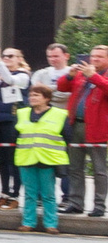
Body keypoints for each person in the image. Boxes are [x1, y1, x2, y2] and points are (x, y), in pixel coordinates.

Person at [61, 46, 108, 219]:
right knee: (75, 167)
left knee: (99, 169)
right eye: (93, 56)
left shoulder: (96, 75)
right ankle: (75, 203)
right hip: (76, 125)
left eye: (99, 57)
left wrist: (93, 76)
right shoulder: (82, 74)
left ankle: (99, 205)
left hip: (97, 127)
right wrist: (70, 75)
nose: (94, 59)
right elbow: (62, 86)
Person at [16, 85, 70, 233]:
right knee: (29, 193)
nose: (32, 98)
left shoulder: (59, 114)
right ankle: (28, 223)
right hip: (27, 158)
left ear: (46, 98)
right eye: (31, 95)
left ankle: (51, 224)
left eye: (37, 95)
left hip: (48, 160)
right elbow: (15, 135)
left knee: (48, 194)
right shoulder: (22, 113)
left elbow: (67, 137)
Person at [0, 46, 31, 203]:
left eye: (11, 56)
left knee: (13, 160)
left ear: (19, 59)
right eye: (4, 56)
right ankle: (4, 193)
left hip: (13, 121)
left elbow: (11, 81)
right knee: (1, 160)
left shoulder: (23, 76)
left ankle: (14, 194)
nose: (6, 58)